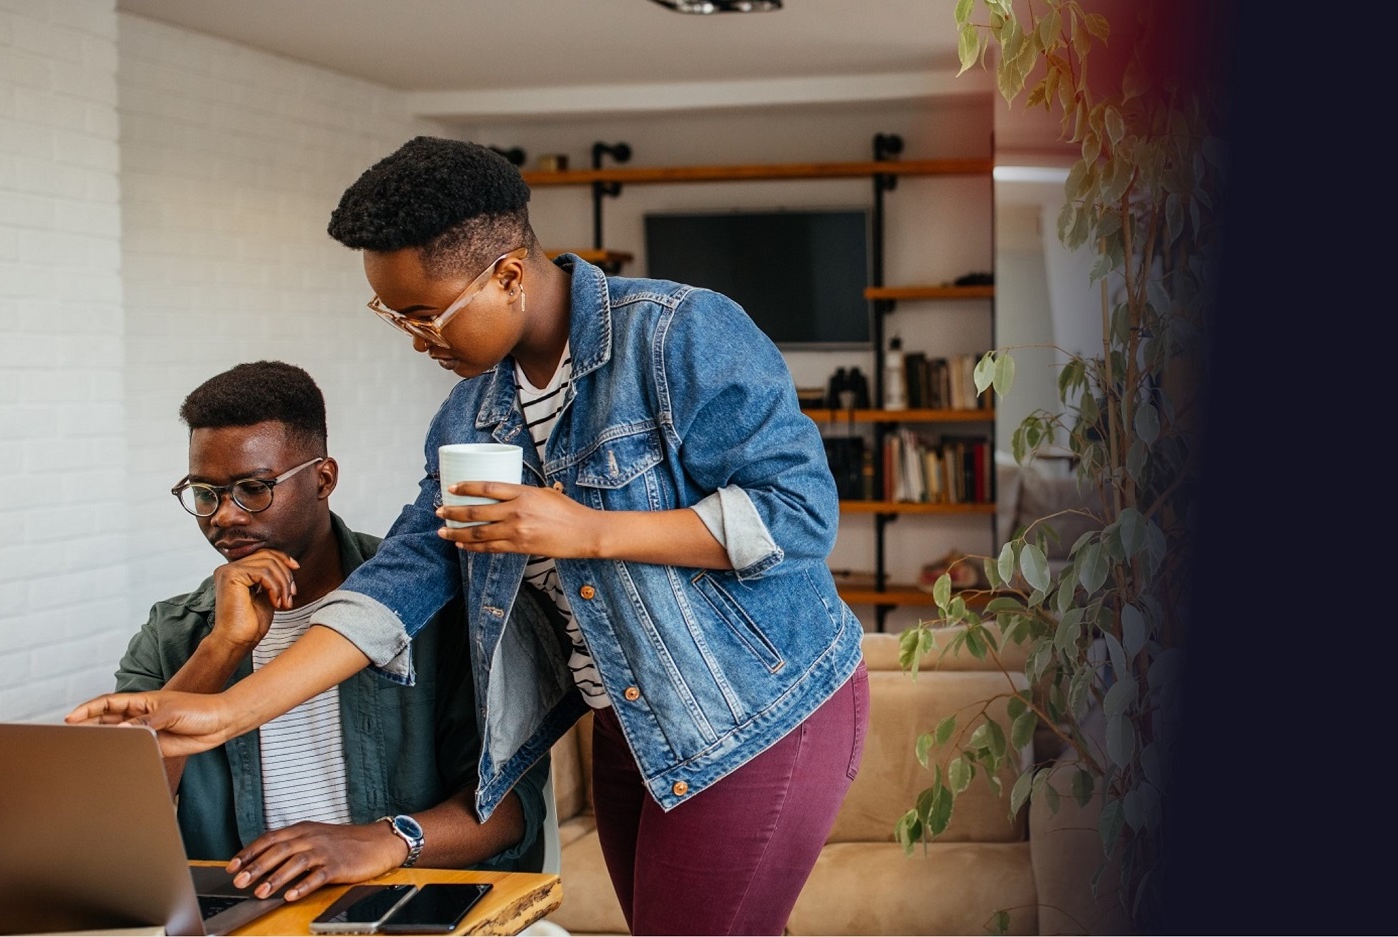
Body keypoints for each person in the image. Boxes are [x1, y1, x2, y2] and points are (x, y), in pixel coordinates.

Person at [70, 136, 868, 935]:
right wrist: (228, 711)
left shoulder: (677, 334)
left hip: (764, 711)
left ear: (509, 274)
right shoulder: (468, 416)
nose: (414, 337)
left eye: (425, 312)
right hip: (633, 724)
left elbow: (797, 515)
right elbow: (396, 584)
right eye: (393, 314)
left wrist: (589, 529)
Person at [118, 361, 546, 902]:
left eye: (253, 488)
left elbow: (512, 805)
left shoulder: (432, 602)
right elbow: (120, 810)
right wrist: (223, 648)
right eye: (206, 493)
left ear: (324, 479)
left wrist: (384, 841)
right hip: (247, 910)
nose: (224, 515)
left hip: (404, 903)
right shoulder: (176, 631)